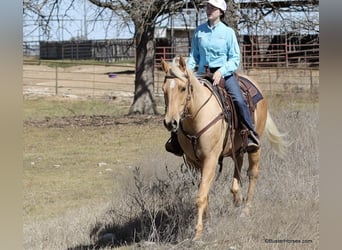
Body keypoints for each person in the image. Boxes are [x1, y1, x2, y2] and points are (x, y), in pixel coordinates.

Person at [165, 0, 259, 156]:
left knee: (238, 99)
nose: (209, 10)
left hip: (224, 74)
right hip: (201, 73)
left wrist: (221, 71)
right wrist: (185, 70)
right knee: (184, 100)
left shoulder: (228, 33)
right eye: (208, 7)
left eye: (213, 8)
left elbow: (235, 58)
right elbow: (194, 56)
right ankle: (176, 139)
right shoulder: (199, 31)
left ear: (221, 11)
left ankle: (249, 134)